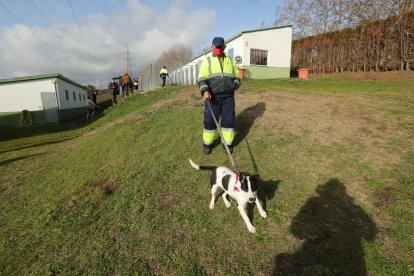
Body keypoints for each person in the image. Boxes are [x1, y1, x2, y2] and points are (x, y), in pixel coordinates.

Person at [197, 36, 241, 154]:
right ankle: (207, 144)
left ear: (224, 47)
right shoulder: (207, 61)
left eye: (221, 47)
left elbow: (237, 76)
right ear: (212, 47)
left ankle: (227, 144)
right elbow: (201, 78)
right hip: (212, 97)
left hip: (228, 97)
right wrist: (205, 90)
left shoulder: (230, 61)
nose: (219, 49)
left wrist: (235, 85)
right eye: (217, 47)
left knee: (228, 121)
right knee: (210, 120)